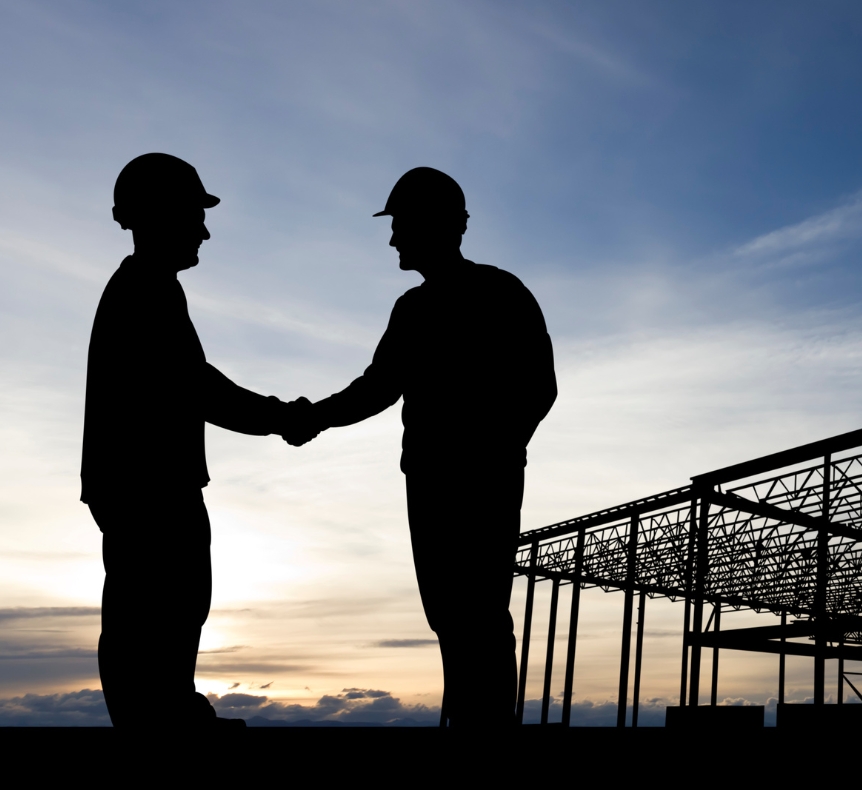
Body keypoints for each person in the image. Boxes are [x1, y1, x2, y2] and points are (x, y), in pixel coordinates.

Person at [286, 167, 557, 727]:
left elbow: (539, 386)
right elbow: (378, 387)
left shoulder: (500, 292)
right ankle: (468, 722)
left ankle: (485, 728)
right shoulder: (414, 308)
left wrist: (493, 449)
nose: (392, 239)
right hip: (433, 480)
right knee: (451, 612)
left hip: (477, 480)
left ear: (439, 225)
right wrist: (315, 416)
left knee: (477, 610)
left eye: (401, 225)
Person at [81, 153, 309, 728]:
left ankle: (168, 715)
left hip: (144, 485)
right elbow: (199, 389)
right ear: (158, 215)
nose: (204, 229)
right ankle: (161, 725)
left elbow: (194, 386)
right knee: (159, 610)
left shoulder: (147, 289)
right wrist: (282, 417)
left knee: (164, 610)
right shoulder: (144, 293)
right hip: (150, 488)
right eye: (193, 213)